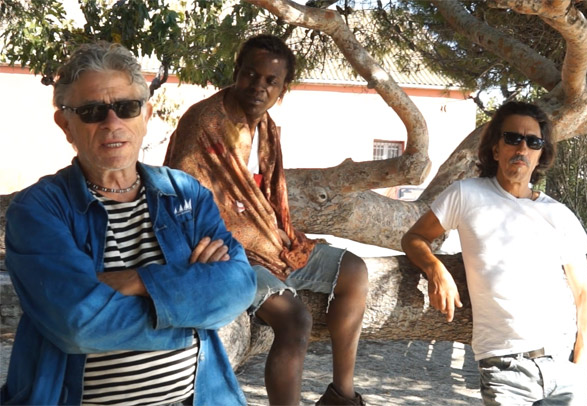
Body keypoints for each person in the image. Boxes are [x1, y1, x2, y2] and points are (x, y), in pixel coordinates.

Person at [1, 42, 257, 406]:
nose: (112, 123)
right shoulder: (39, 210)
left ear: (146, 114)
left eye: (126, 107)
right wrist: (192, 315)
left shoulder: (184, 195)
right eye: (91, 111)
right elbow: (78, 324)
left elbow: (239, 286)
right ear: (65, 124)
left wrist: (137, 281)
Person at [164, 34, 368, 405]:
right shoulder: (205, 122)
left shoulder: (267, 127)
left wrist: (276, 235)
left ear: (283, 89)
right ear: (237, 73)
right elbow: (182, 199)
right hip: (224, 251)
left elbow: (266, 197)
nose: (259, 86)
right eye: (251, 74)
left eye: (271, 81)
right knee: (295, 320)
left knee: (354, 270)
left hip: (271, 242)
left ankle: (342, 395)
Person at [401, 101, 587, 405]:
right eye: (513, 138)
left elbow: (585, 294)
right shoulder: (465, 194)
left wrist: (580, 369)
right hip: (505, 368)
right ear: (496, 149)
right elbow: (414, 238)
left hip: (563, 366)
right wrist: (435, 269)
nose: (522, 148)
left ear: (540, 155)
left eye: (533, 142)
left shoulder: (559, 215)